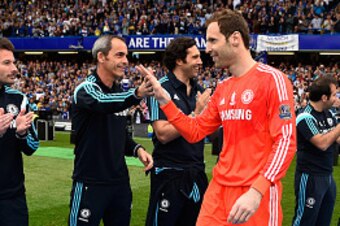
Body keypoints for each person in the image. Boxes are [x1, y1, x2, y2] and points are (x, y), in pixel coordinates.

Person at [138, 9, 296, 226]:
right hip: (218, 191)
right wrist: (166, 101)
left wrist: (257, 190)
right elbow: (195, 132)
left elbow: (286, 141)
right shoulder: (223, 88)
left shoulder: (273, 80)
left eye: (212, 40)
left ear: (235, 39)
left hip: (255, 193)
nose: (208, 48)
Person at [69, 35, 153, 226]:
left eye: (126, 56)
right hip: (90, 182)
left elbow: (119, 135)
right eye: (119, 55)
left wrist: (137, 149)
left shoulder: (119, 94)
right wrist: (137, 94)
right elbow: (103, 103)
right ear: (101, 57)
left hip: (119, 183)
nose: (125, 61)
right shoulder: (85, 89)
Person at [145, 37, 211, 226]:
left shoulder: (199, 90)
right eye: (195, 57)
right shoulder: (160, 88)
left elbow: (209, 132)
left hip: (197, 173)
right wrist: (196, 113)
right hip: (170, 174)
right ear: (180, 61)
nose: (200, 62)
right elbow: (163, 134)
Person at [0, 38, 39, 226]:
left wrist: (22, 134)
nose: (14, 68)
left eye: (13, 62)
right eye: (7, 63)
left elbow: (33, 146)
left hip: (12, 199)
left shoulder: (19, 99)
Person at [292, 76, 340, 226]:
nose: (336, 98)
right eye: (334, 95)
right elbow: (323, 143)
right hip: (310, 177)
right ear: (324, 97)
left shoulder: (329, 114)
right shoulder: (305, 116)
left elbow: (337, 139)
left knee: (324, 221)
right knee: (305, 221)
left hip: (327, 176)